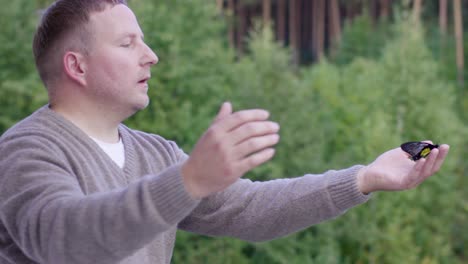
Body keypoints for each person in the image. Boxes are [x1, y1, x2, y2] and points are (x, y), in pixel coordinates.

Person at [0, 0, 449, 263]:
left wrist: (363, 178)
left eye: (144, 40)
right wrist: (189, 180)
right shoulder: (27, 150)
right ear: (76, 66)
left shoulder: (156, 154)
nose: (151, 55)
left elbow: (252, 209)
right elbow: (64, 239)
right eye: (127, 43)